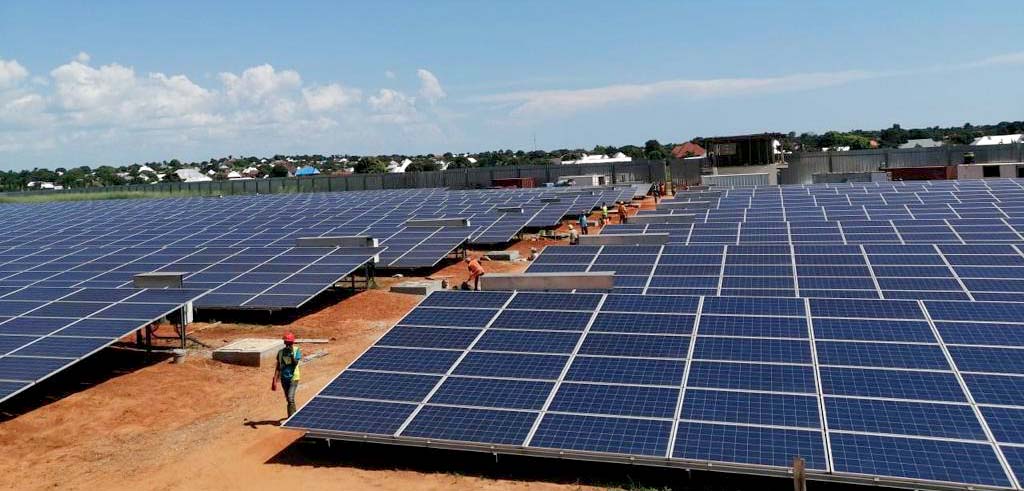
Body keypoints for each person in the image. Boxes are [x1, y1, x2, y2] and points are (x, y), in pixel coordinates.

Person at [272, 332, 302, 418]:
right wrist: (275, 380)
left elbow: (295, 363)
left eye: (289, 342)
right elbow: (278, 367)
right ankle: (294, 415)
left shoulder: (297, 351)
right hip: (284, 379)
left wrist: (292, 354)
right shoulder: (280, 352)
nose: (287, 344)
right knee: (288, 399)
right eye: (286, 342)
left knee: (290, 398)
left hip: (294, 378)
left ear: (292, 343)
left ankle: (291, 418)